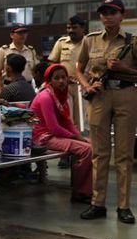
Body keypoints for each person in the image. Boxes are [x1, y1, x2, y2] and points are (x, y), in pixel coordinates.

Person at [77, 0, 137, 224]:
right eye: (104, 12)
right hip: (99, 97)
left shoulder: (134, 42)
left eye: (113, 12)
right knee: (99, 153)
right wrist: (87, 85)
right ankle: (97, 204)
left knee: (124, 155)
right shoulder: (90, 41)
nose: (108, 16)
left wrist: (124, 68)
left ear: (122, 16)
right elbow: (79, 69)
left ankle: (123, 206)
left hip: (126, 96)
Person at [30, 64, 93, 203]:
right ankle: (80, 192)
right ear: (49, 80)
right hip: (43, 138)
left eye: (63, 77)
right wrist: (77, 138)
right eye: (56, 78)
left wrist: (80, 137)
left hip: (55, 135)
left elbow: (68, 122)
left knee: (93, 145)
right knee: (86, 150)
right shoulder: (46, 96)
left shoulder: (61, 95)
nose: (61, 81)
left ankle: (89, 188)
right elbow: (54, 128)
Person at [48, 15, 88, 128]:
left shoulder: (89, 42)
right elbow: (52, 64)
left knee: (83, 120)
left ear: (82, 28)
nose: (71, 31)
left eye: (74, 28)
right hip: (65, 87)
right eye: (68, 28)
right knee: (66, 118)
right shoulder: (61, 42)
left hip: (84, 87)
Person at [0, 25, 37, 98]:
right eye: (19, 33)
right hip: (8, 87)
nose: (23, 35)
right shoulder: (4, 50)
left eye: (25, 33)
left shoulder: (31, 50)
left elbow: (34, 70)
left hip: (27, 87)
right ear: (12, 35)